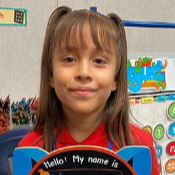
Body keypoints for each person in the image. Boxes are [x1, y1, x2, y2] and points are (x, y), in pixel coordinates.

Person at [18, 6, 160, 174]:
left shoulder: (139, 148)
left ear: (115, 78)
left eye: (99, 61)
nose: (84, 72)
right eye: (69, 59)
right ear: (50, 75)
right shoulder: (30, 152)